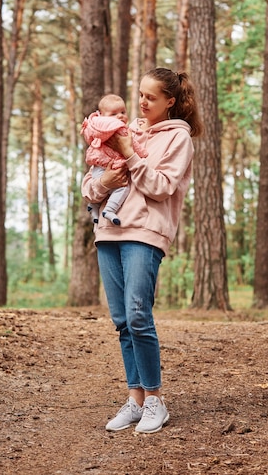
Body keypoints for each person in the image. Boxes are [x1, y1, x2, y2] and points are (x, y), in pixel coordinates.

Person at [81, 67, 203, 434]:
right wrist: (104, 180)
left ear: (171, 101)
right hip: (108, 231)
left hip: (145, 233)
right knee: (121, 321)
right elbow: (90, 185)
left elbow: (162, 186)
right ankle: (135, 400)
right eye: (140, 94)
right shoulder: (123, 129)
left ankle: (155, 399)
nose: (142, 102)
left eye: (151, 96)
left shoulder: (178, 139)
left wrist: (130, 156)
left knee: (138, 315)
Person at [81, 94, 148, 225]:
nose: (120, 116)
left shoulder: (97, 131)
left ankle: (94, 207)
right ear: (102, 116)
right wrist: (142, 154)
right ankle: (110, 209)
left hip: (99, 167)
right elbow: (133, 145)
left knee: (101, 187)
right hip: (108, 167)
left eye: (123, 112)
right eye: (113, 114)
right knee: (122, 188)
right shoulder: (121, 132)